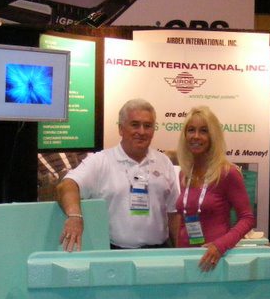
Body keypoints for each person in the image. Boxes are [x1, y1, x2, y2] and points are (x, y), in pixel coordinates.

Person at [56, 98, 179, 251]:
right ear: (121, 129)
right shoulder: (101, 161)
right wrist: (75, 216)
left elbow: (174, 213)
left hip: (159, 252)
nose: (141, 132)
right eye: (135, 125)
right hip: (115, 252)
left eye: (147, 126)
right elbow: (66, 185)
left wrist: (179, 250)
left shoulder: (164, 162)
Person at [174, 106, 255, 271]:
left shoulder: (227, 173)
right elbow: (183, 220)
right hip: (185, 259)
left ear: (213, 136)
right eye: (191, 130)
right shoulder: (185, 173)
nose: (196, 136)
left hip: (214, 261)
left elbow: (247, 218)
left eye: (203, 131)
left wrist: (220, 246)